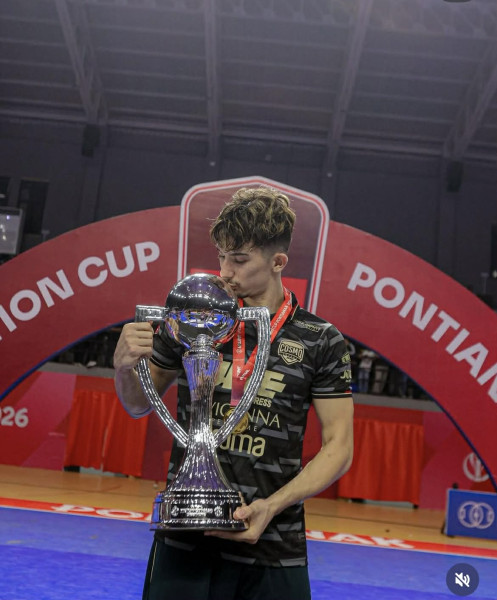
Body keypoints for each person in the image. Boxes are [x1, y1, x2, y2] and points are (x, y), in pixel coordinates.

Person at [113, 186, 354, 600]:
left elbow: (340, 447)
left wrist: (271, 506)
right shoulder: (189, 320)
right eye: (222, 256)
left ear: (278, 262)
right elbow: (136, 404)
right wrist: (124, 366)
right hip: (185, 538)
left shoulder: (320, 339)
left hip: (274, 545)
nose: (225, 271)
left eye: (239, 260)